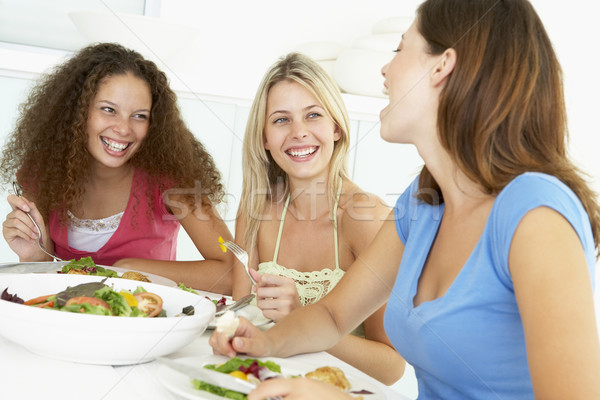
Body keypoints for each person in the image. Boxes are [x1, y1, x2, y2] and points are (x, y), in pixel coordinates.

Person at [210, 0, 600, 398]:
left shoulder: (536, 215)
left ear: (441, 66)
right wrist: (263, 342)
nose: (385, 70)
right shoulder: (422, 203)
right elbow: (331, 315)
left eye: (399, 50)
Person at [0, 43, 233, 294]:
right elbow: (43, 283)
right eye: (109, 110)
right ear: (78, 111)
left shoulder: (171, 181)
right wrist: (34, 254)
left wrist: (128, 269)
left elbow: (233, 272)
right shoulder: (47, 171)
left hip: (146, 327)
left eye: (140, 116)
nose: (123, 129)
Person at [229, 52, 405, 384]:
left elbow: (392, 367)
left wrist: (303, 320)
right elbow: (240, 316)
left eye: (313, 115)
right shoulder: (254, 210)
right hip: (267, 384)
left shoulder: (367, 220)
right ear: (265, 138)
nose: (299, 132)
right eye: (281, 120)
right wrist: (232, 336)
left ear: (336, 127)